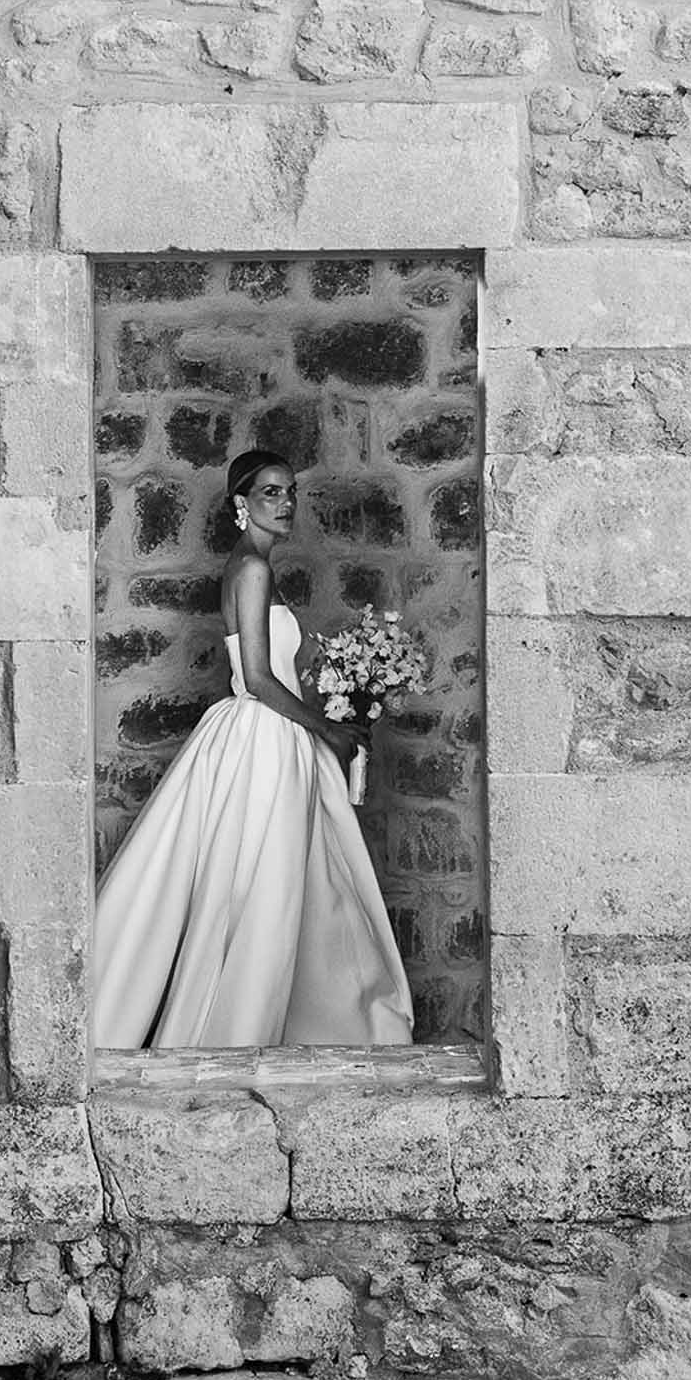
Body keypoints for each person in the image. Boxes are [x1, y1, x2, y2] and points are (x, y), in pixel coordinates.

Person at [91, 448, 414, 1049]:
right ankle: (240, 1024)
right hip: (264, 736)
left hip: (265, 733)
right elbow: (261, 678)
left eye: (291, 491)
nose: (286, 502)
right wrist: (329, 729)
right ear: (242, 503)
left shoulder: (252, 564)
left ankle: (282, 1017)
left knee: (281, 877)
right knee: (267, 881)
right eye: (271, 493)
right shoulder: (253, 568)